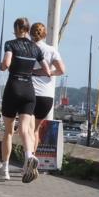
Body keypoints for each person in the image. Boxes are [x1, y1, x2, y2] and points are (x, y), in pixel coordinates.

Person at [0, 17, 50, 183]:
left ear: (16, 29)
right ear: (27, 30)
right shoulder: (36, 48)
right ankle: (29, 155)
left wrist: (2, 66)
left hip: (13, 87)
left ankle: (5, 167)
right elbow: (47, 70)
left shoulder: (10, 44)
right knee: (25, 130)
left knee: (8, 131)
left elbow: (6, 63)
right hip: (29, 90)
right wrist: (31, 72)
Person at [29, 22, 66, 175]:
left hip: (29, 93)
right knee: (36, 130)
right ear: (45, 35)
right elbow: (61, 70)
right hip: (46, 96)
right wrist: (46, 73)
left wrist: (36, 72)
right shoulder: (52, 50)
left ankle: (28, 158)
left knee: (28, 130)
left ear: (31, 33)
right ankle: (31, 160)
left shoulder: (27, 48)